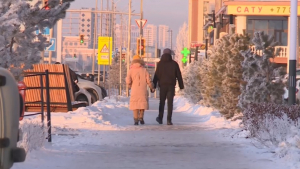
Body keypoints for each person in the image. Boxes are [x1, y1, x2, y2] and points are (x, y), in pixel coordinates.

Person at [152, 48, 184, 125]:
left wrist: (153, 85)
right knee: (170, 103)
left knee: (162, 102)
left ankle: (160, 118)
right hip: (171, 86)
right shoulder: (174, 64)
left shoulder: (160, 64)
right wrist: (181, 85)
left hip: (162, 86)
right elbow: (179, 75)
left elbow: (156, 75)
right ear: (170, 54)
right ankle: (169, 120)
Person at [126, 55, 154, 125]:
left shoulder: (131, 70)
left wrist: (129, 86)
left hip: (134, 90)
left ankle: (136, 119)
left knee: (135, 104)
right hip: (143, 89)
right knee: (142, 104)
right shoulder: (144, 70)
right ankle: (141, 117)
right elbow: (149, 80)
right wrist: (152, 87)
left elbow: (128, 80)